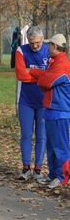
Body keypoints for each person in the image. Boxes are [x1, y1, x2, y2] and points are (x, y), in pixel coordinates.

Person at [29, 34, 70, 189]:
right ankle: (54, 174)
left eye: (49, 45)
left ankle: (64, 177)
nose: (47, 47)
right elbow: (45, 78)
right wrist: (36, 74)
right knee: (52, 146)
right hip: (52, 109)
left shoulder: (62, 65)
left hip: (60, 110)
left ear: (55, 47)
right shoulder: (55, 63)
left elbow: (46, 82)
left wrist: (38, 78)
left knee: (61, 146)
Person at [14, 26, 49, 181]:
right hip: (26, 101)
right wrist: (42, 76)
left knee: (42, 136)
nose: (35, 46)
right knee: (26, 135)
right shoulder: (21, 51)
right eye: (32, 43)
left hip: (44, 101)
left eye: (38, 42)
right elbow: (21, 75)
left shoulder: (49, 52)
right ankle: (26, 167)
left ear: (43, 38)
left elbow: (52, 75)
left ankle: (38, 169)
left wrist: (32, 72)